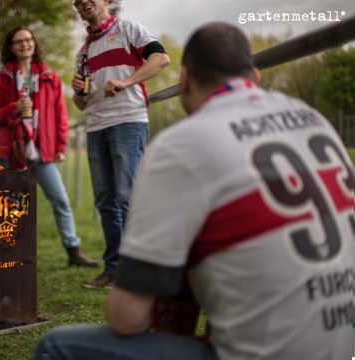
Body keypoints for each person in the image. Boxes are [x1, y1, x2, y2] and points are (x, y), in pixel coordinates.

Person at [33, 22, 355, 359]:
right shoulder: (313, 119)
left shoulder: (182, 144)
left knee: (54, 346)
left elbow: (127, 319)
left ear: (184, 80)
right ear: (254, 77)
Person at [71, 0, 171, 288]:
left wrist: (126, 82)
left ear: (106, 2)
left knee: (128, 197)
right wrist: (79, 91)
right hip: (96, 127)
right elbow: (80, 104)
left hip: (128, 121)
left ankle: (142, 268)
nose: (83, 3)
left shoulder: (129, 29)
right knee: (105, 201)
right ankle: (114, 269)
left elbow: (161, 59)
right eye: (78, 2)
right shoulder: (84, 51)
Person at [0, 26, 99, 267]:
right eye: (18, 42)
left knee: (60, 200)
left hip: (42, 150)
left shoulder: (49, 77)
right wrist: (12, 109)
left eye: (28, 40)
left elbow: (60, 116)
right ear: (11, 48)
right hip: (10, 151)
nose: (24, 44)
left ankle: (73, 251)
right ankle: (8, 253)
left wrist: (60, 145)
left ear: (34, 44)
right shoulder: (1, 78)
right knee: (11, 206)